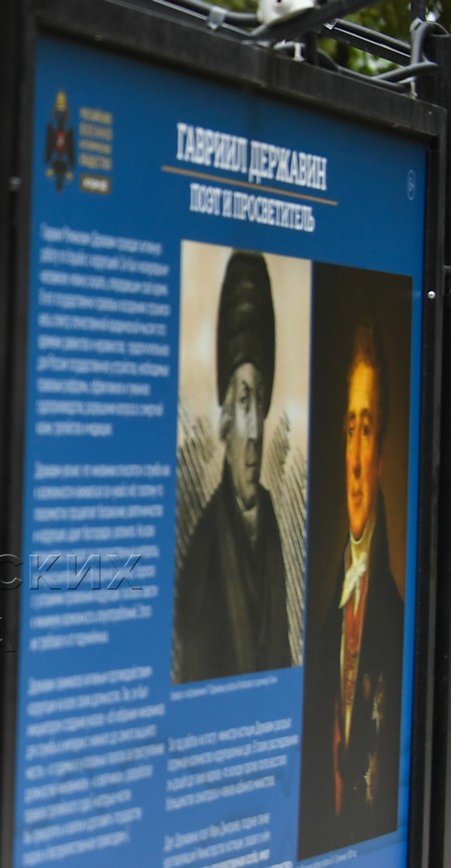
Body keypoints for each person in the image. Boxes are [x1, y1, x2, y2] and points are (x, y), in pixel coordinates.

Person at [299, 325, 403, 856]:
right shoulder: (323, 628)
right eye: (348, 430)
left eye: (367, 430)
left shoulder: (395, 620)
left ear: (382, 453)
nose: (356, 460)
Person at [173, 249, 294, 683]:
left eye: (259, 400)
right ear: (224, 416)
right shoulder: (204, 555)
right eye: (243, 400)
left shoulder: (272, 527)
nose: (255, 429)